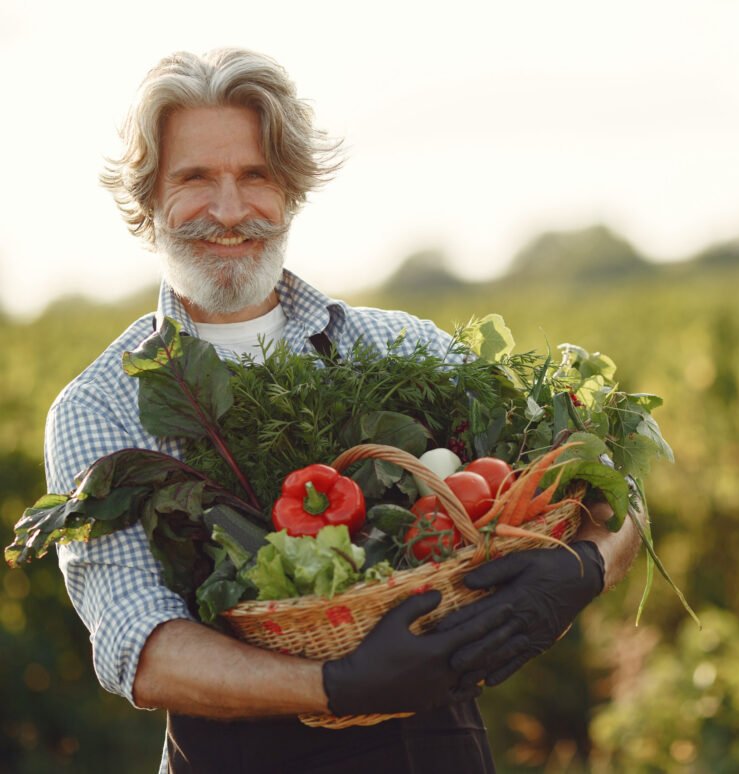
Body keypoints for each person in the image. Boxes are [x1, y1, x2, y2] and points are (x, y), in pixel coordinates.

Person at [47, 48, 644, 773]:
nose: (229, 210)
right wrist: (336, 685)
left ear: (291, 189)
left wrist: (585, 568)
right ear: (148, 200)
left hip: (438, 749)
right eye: (194, 178)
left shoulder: (399, 345)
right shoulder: (101, 404)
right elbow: (138, 647)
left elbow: (612, 492)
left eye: (256, 175)